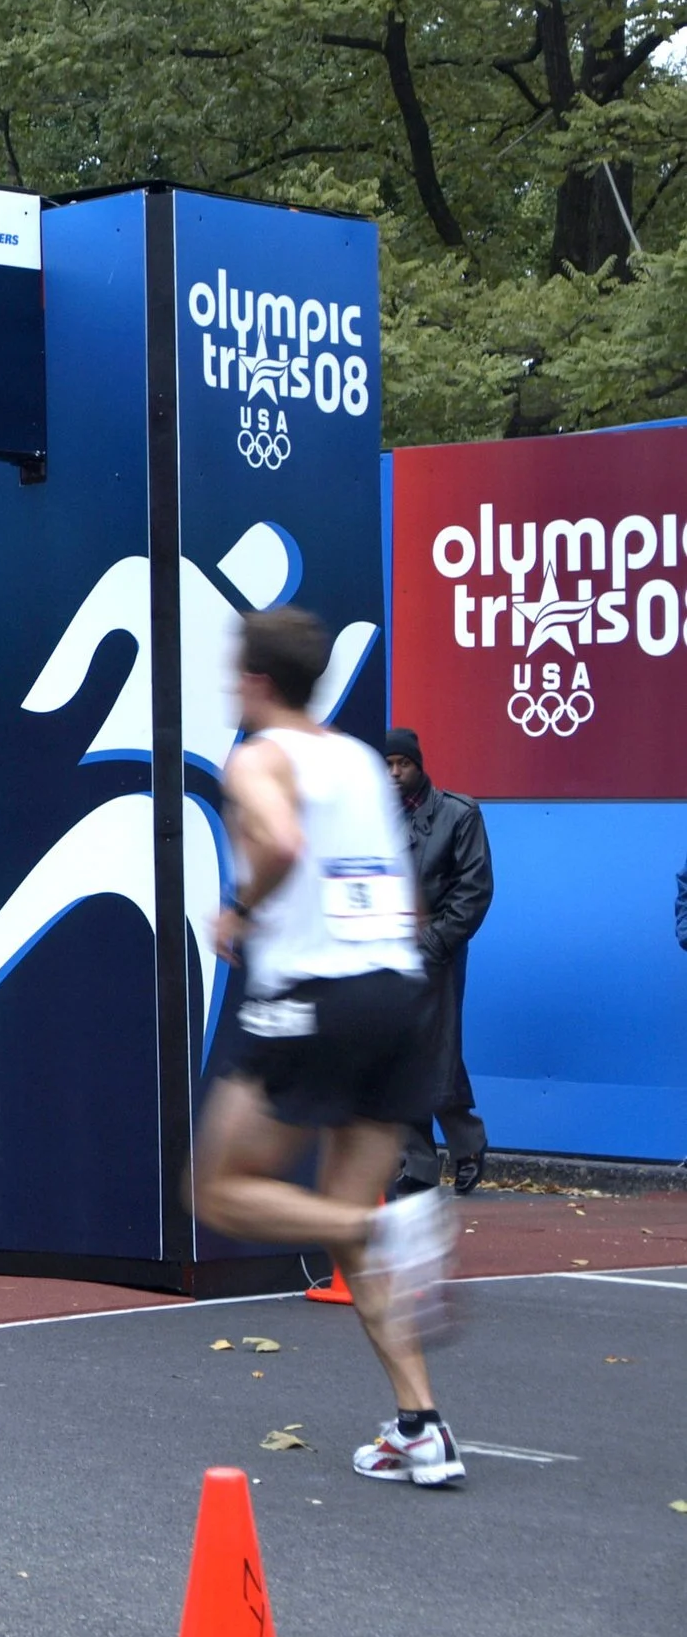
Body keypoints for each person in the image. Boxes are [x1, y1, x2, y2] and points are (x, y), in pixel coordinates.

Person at [194, 608, 465, 1488]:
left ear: (259, 682)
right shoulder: (356, 759)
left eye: (238, 675)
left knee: (220, 1188)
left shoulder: (260, 756)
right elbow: (404, 896)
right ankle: (422, 1425)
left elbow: (277, 840)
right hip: (397, 996)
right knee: (350, 1227)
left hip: (314, 998)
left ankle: (380, 1223)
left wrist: (243, 908)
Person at [384, 728, 493, 1193]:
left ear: (419, 765)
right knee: (398, 1055)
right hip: (386, 954)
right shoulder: (373, 818)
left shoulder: (458, 814)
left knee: (438, 1051)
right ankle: (421, 1164)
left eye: (401, 764)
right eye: (386, 765)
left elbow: (474, 889)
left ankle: (467, 1146)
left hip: (438, 953)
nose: (393, 773)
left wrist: (432, 943)